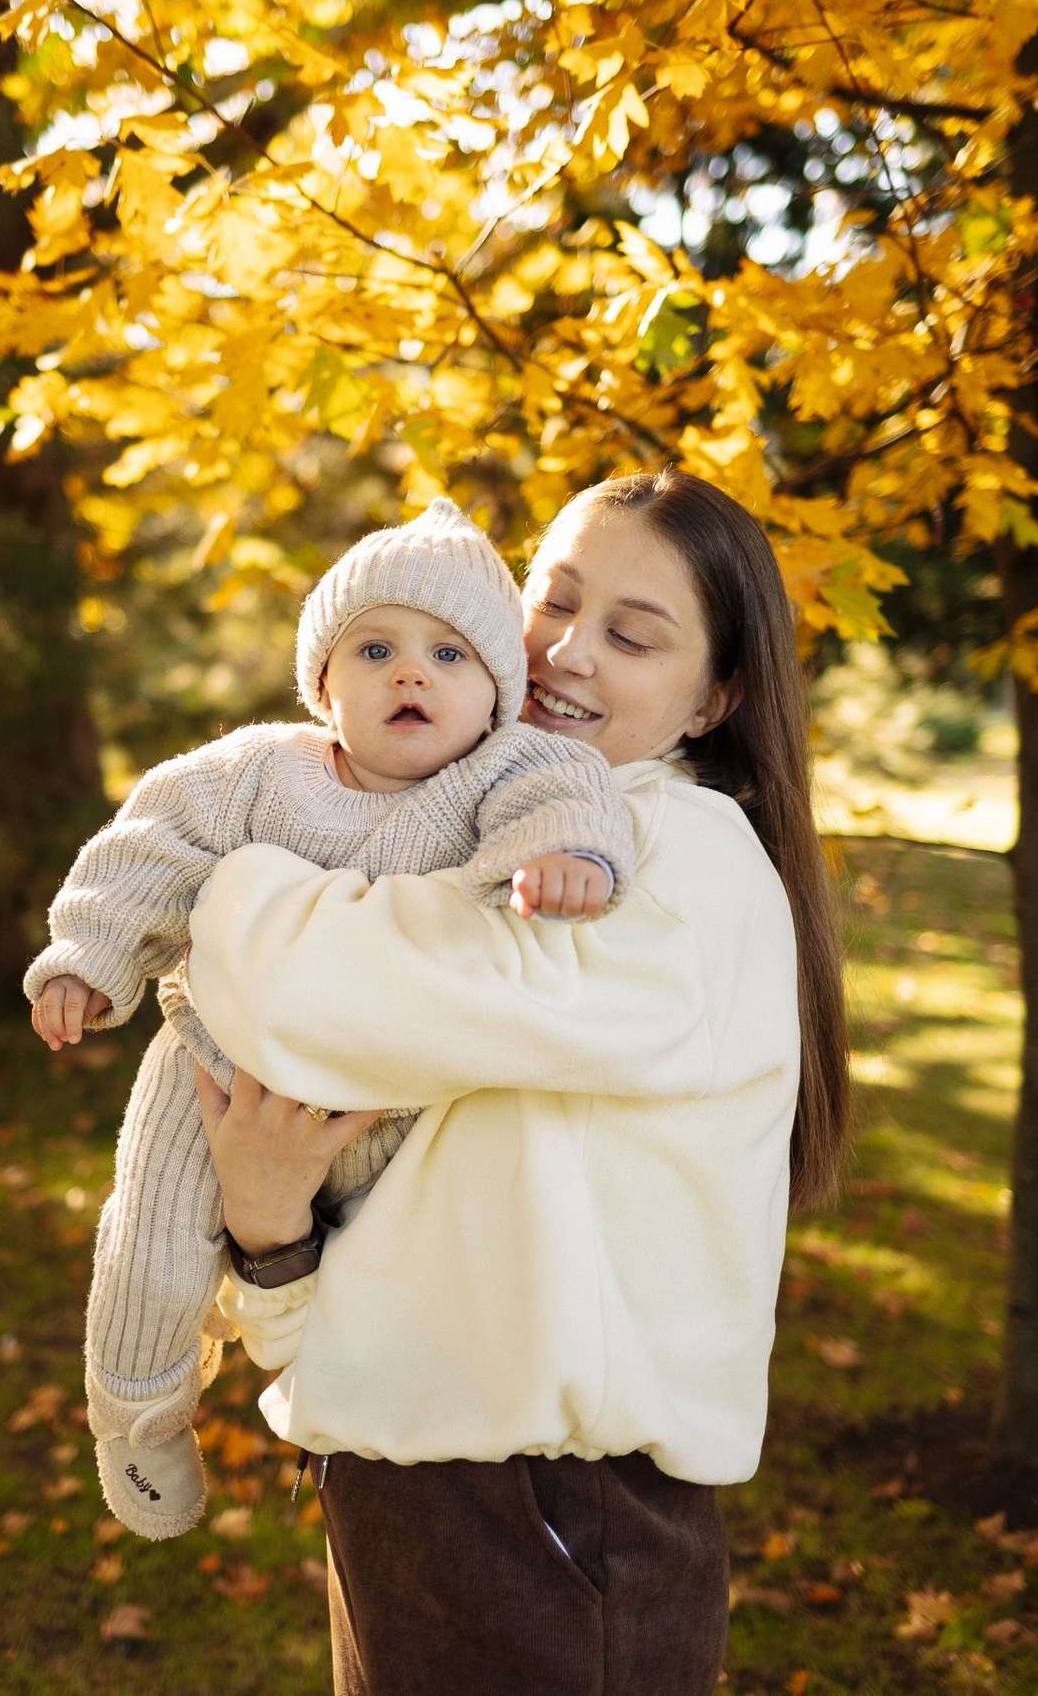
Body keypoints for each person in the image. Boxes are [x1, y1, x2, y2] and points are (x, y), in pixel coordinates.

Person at [183, 470, 850, 1694]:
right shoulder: (488, 833)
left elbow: (300, 993)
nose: (565, 655)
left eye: (633, 636)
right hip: (406, 1508)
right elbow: (406, 1205)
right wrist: (269, 1239)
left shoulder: (669, 859)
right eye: (552, 602)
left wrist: (226, 883)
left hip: (550, 1528)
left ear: (716, 699)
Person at [23, 498, 638, 1539]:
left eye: (449, 653)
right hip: (215, 1062)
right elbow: (150, 843)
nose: (410, 673)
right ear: (322, 685)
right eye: (375, 649)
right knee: (153, 1244)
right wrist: (86, 958)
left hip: (390, 1102)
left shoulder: (498, 770)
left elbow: (566, 789)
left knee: (382, 1262)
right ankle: (137, 1414)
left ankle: (306, 1366)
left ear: (497, 692)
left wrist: (566, 858)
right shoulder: (261, 771)